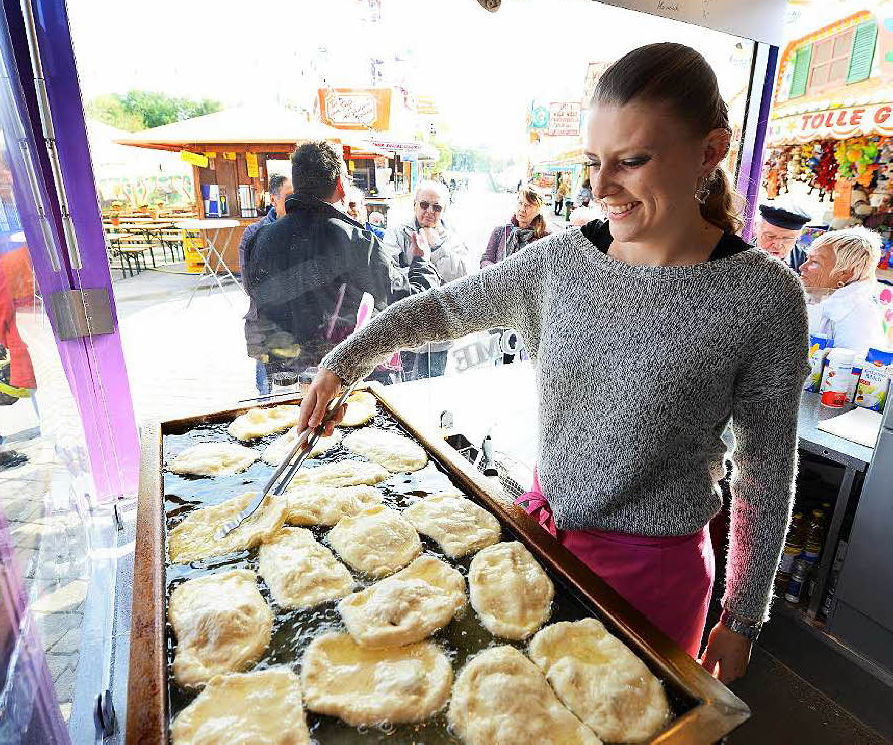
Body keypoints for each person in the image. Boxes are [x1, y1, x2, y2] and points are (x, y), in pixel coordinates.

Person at [300, 42, 808, 684]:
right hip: (541, 542)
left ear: (710, 152)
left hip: (651, 579)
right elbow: (446, 309)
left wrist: (742, 616)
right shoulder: (563, 260)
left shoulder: (761, 296)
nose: (600, 188)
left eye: (631, 161)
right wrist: (343, 364)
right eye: (592, 162)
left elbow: (765, 468)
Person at [244, 141, 439, 380]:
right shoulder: (357, 242)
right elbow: (412, 301)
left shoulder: (260, 238)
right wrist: (422, 261)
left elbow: (256, 294)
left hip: (280, 378)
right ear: (341, 185)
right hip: (338, 382)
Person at [384, 180, 470, 379]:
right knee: (404, 387)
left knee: (433, 386)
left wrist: (438, 248)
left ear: (444, 209)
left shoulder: (452, 237)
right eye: (424, 205)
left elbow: (463, 276)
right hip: (407, 326)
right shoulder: (397, 232)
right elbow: (389, 274)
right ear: (414, 204)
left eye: (436, 207)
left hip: (439, 332)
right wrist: (420, 267)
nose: (429, 211)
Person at [239, 173, 292, 394]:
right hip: (267, 324)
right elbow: (251, 285)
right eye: (289, 197)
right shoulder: (254, 234)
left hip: (304, 328)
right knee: (268, 397)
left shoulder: (308, 230)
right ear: (273, 199)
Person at [801, 226, 886, 354]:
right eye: (807, 259)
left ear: (845, 274)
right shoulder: (818, 299)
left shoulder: (860, 316)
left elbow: (848, 370)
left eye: (814, 262)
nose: (802, 267)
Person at [480, 184, 547, 268]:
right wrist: (496, 272)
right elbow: (486, 259)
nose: (522, 209)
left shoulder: (545, 237)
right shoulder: (500, 232)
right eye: (520, 203)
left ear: (538, 210)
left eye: (528, 205)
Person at [756, 201, 810, 273]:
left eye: (787, 239)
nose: (777, 246)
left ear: (798, 236)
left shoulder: (804, 263)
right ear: (757, 228)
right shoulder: (741, 253)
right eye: (770, 236)